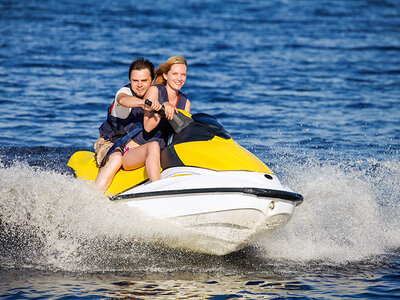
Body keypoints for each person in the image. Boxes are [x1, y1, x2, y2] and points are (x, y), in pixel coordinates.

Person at [94, 57, 162, 191]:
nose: (139, 85)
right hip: (110, 143)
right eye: (135, 81)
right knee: (116, 160)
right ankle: (92, 197)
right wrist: (145, 103)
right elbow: (123, 100)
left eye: (144, 81)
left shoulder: (158, 94)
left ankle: (158, 189)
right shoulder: (124, 92)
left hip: (136, 146)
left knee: (156, 147)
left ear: (152, 80)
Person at [122, 56, 191, 170]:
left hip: (160, 152)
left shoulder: (185, 103)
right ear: (165, 75)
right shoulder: (155, 91)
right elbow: (148, 127)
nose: (180, 78)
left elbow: (179, 137)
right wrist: (162, 109)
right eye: (175, 74)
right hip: (136, 149)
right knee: (153, 146)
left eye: (183, 75)